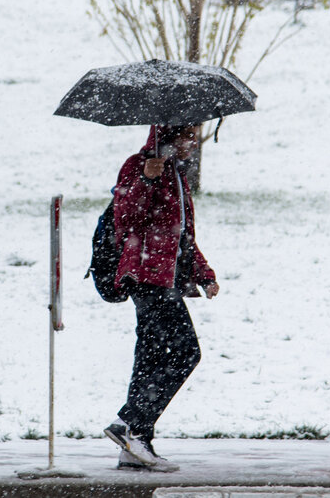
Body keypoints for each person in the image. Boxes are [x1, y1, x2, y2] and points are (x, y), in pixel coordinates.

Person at [103, 124, 220, 472]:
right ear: (169, 136)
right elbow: (124, 219)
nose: (193, 142)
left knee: (151, 359)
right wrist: (145, 180)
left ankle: (135, 447)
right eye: (188, 135)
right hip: (146, 277)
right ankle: (129, 423)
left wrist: (204, 274)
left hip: (164, 278)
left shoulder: (178, 175)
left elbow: (181, 235)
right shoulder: (138, 166)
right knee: (187, 352)